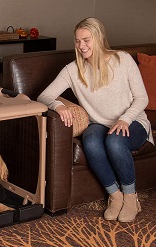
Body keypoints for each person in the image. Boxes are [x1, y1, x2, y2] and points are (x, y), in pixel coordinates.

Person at [37, 17, 154, 222]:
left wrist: (125, 119)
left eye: (86, 40)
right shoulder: (73, 70)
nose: (81, 46)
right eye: (77, 41)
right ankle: (115, 196)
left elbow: (142, 98)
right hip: (98, 124)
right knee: (90, 142)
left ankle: (130, 197)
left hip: (133, 122)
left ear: (98, 38)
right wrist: (59, 105)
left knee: (115, 141)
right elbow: (44, 96)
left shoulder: (122, 60)